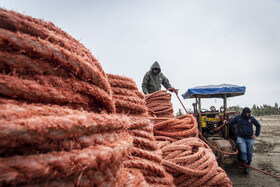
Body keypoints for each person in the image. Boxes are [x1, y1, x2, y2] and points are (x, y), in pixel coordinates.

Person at [215, 107, 261, 174]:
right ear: (243, 113)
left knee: (250, 152)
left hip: (250, 138)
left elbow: (258, 125)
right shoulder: (238, 118)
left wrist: (256, 134)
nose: (247, 115)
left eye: (248, 114)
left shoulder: (251, 118)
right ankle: (245, 165)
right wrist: (226, 122)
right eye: (246, 114)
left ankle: (248, 164)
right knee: (243, 151)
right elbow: (230, 123)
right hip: (241, 138)